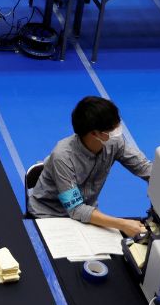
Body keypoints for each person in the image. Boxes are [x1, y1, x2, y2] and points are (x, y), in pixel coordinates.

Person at [26, 95, 152, 236]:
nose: (117, 130)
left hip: (85, 214)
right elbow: (76, 209)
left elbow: (145, 168)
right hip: (49, 216)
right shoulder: (62, 157)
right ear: (94, 133)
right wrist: (122, 224)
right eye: (112, 128)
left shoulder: (113, 142)